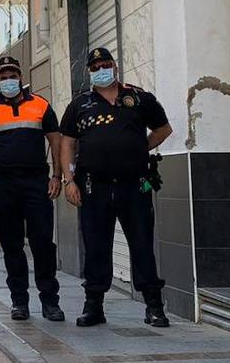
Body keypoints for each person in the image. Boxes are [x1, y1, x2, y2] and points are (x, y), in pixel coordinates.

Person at [60, 48, 173, 328]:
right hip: (92, 187)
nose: (101, 69)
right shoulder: (80, 104)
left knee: (142, 245)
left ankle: (154, 306)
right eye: (95, 66)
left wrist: (138, 149)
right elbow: (67, 143)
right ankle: (94, 307)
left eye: (106, 64)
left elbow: (163, 129)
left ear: (115, 67)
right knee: (96, 247)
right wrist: (68, 180)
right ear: (89, 72)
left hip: (134, 185)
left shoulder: (138, 98)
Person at [0, 55, 65, 322]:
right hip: (3, 185)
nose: (8, 80)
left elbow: (56, 140)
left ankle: (50, 302)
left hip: (36, 182)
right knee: (12, 246)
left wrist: (57, 175)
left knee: (42, 244)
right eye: (3, 77)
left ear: (21, 77)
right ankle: (19, 302)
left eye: (12, 75)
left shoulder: (41, 105)